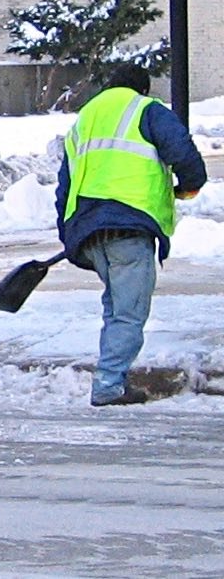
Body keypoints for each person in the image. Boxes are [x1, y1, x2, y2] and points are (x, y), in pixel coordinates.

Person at [55, 63, 205, 407]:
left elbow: (64, 185)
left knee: (115, 308)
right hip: (129, 228)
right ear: (143, 89)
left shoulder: (85, 118)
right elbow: (180, 148)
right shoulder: (145, 109)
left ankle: (113, 375)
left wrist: (69, 234)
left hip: (90, 231)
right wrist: (191, 184)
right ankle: (108, 384)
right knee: (128, 312)